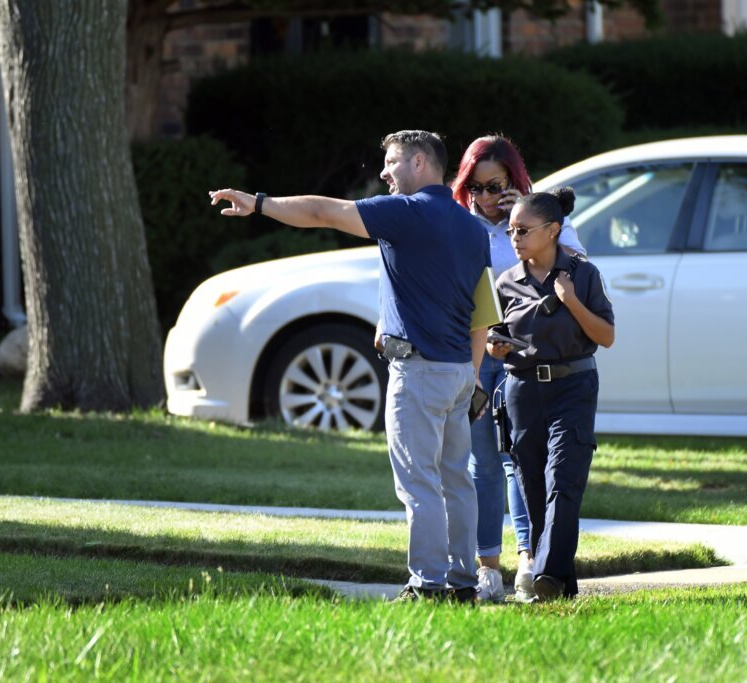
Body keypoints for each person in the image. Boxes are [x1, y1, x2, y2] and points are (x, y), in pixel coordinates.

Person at [209, 130, 494, 603]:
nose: (383, 172)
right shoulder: (471, 227)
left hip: (420, 374)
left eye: (393, 162)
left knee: (419, 482)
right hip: (460, 372)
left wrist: (259, 203)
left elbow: (324, 212)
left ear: (420, 163)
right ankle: (463, 583)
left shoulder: (407, 211)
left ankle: (427, 584)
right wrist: (475, 375)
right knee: (457, 482)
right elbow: (478, 309)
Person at [450, 135, 587, 602]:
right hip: (474, 352)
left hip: (521, 356)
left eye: (495, 187)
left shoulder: (538, 220)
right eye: (476, 188)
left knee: (519, 463)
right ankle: (487, 568)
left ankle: (529, 559)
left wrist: (523, 222)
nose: (486, 198)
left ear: (514, 181)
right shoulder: (458, 222)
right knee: (482, 464)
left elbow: (577, 269)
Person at [486, 187, 614, 602]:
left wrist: (570, 301)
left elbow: (606, 336)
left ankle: (546, 573)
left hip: (572, 386)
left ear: (553, 230)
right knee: (533, 487)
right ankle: (557, 585)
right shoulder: (506, 282)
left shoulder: (583, 274)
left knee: (563, 478)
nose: (515, 238)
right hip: (522, 391)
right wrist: (495, 347)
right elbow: (495, 335)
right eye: (511, 231)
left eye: (523, 230)